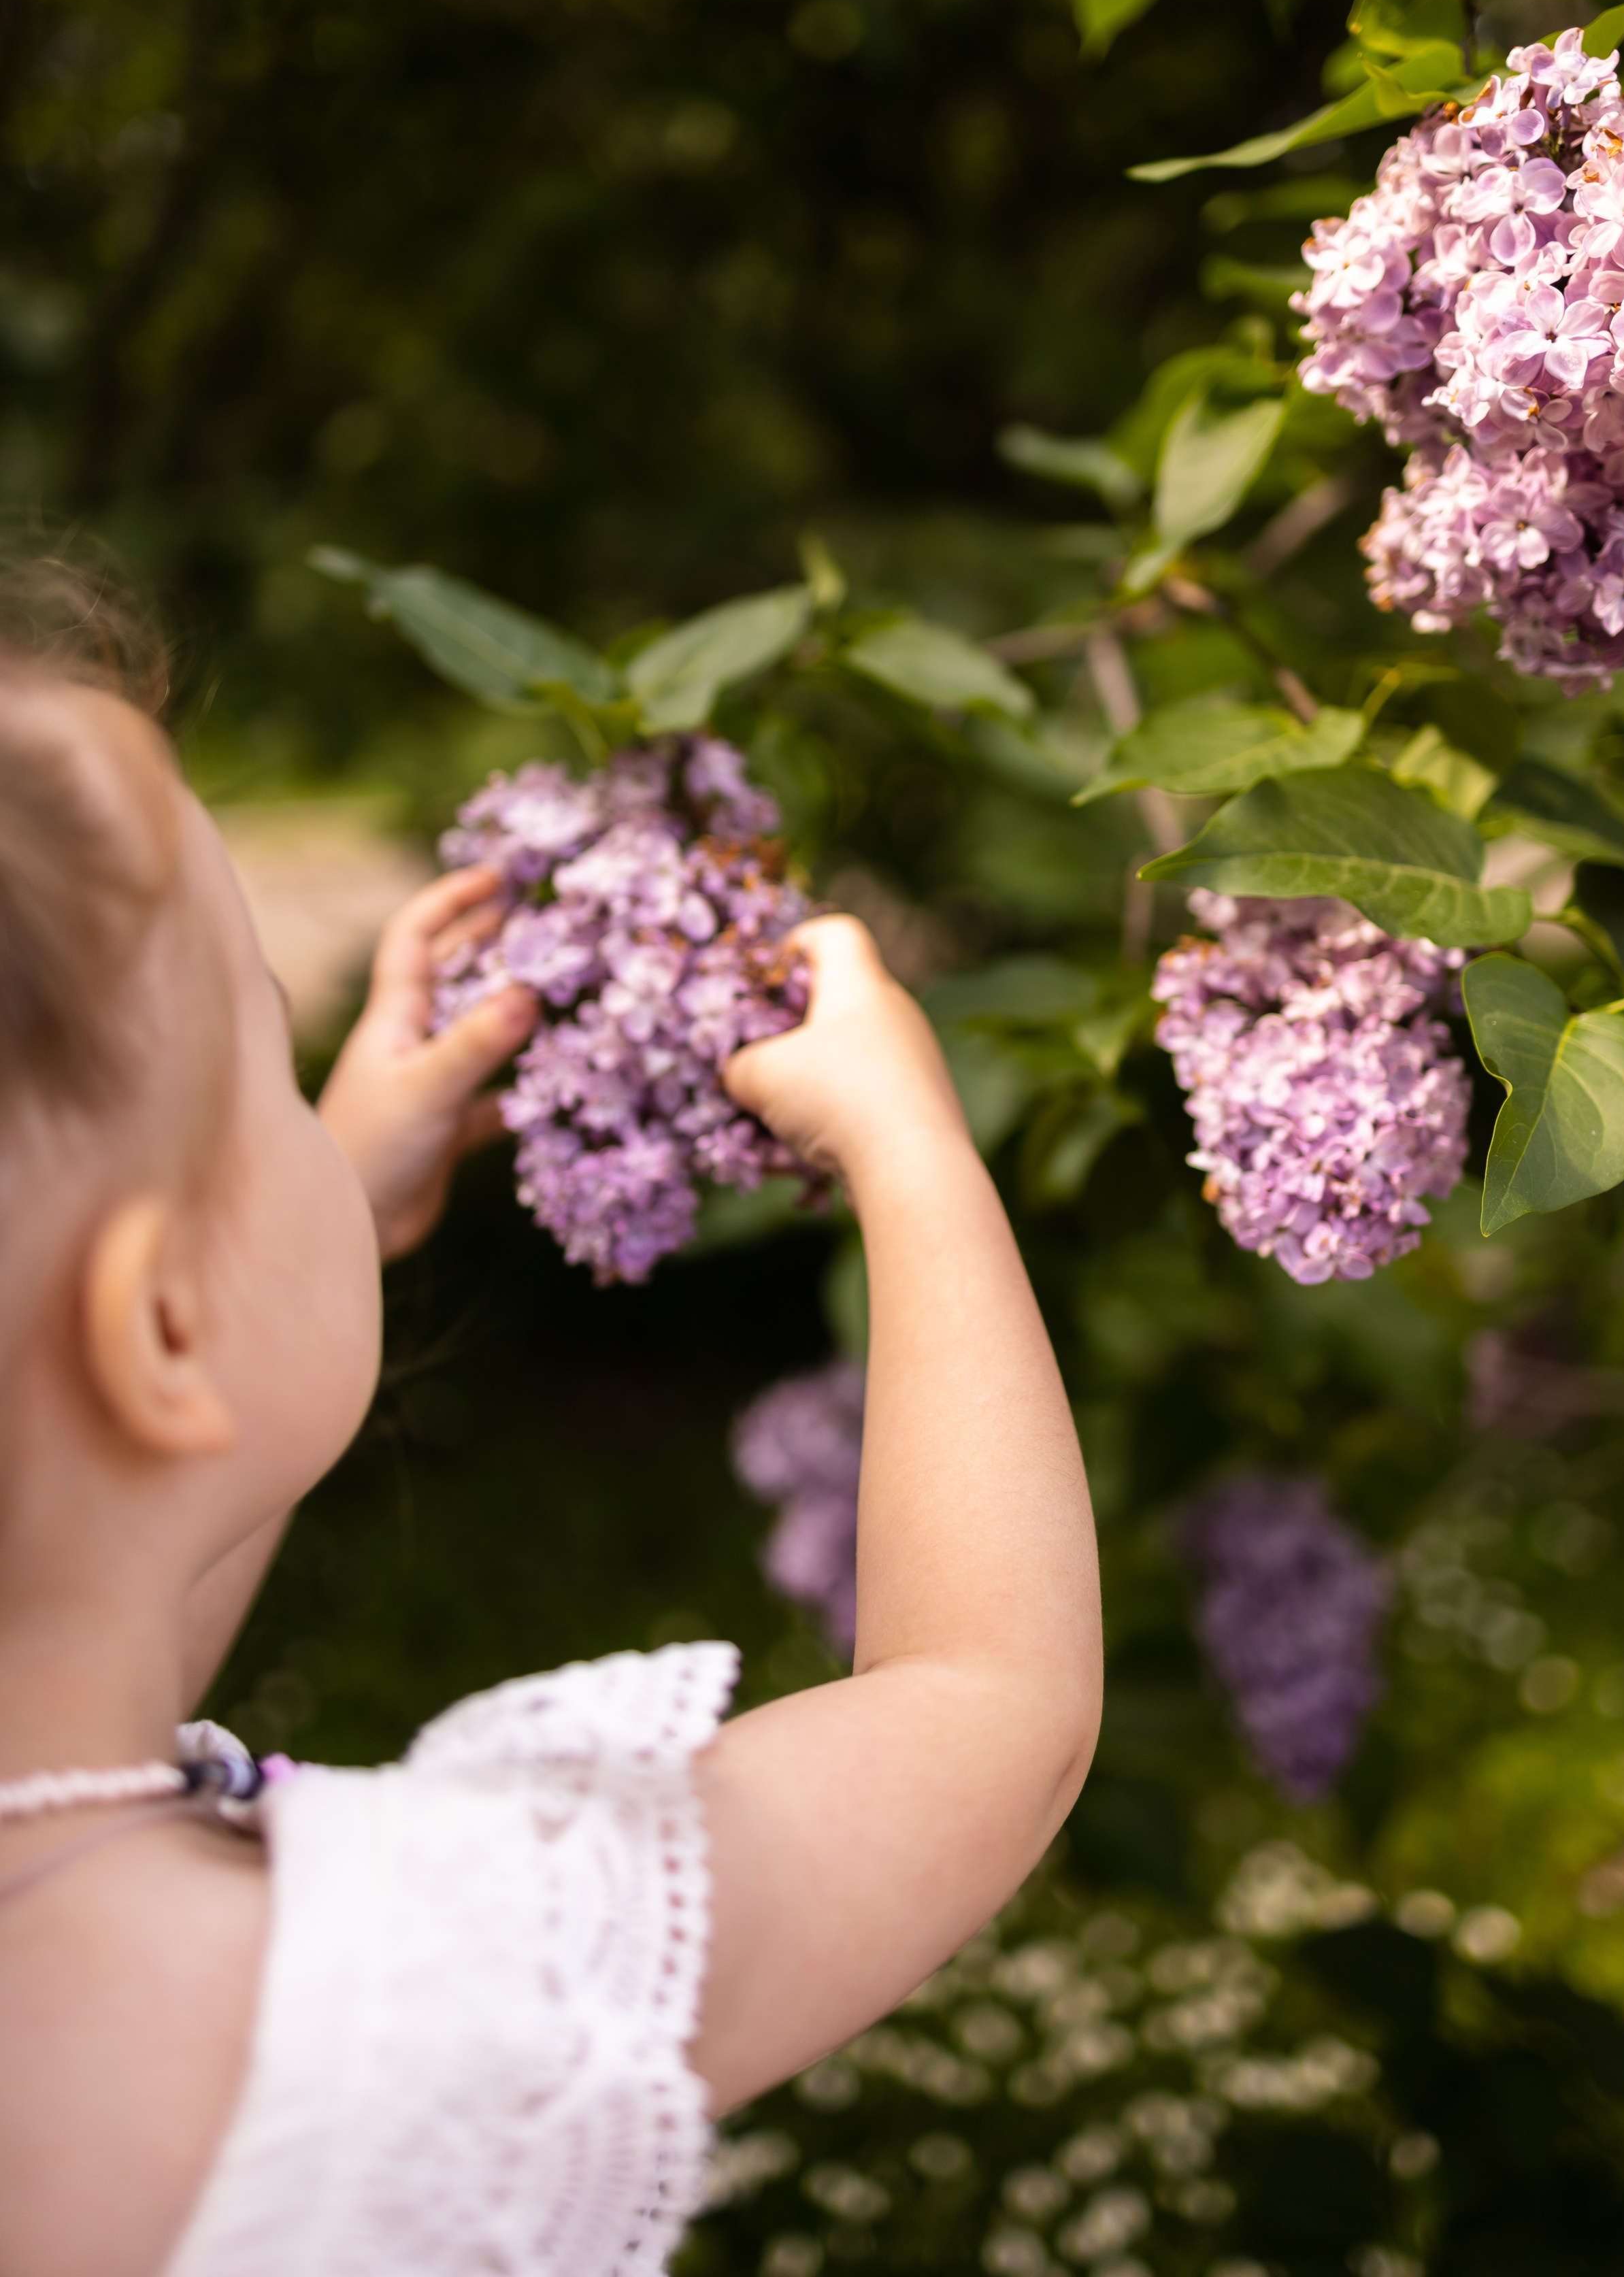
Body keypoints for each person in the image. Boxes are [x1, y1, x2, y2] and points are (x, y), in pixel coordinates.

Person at [0, 604, 1102, 2277]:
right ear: (160, 1333)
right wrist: (911, 1152)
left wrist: (324, 1203)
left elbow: (100, 1609)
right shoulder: (402, 2003)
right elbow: (991, 1707)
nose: (316, 1111)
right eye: (270, 1061)